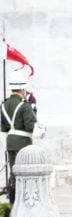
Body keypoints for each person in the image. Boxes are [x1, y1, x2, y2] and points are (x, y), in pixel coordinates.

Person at [2, 71, 37, 202]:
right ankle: (24, 200)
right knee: (25, 172)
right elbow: (30, 126)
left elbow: (4, 127)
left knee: (14, 172)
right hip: (23, 143)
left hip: (10, 143)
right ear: (22, 88)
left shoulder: (4, 105)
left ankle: (12, 200)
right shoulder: (24, 105)